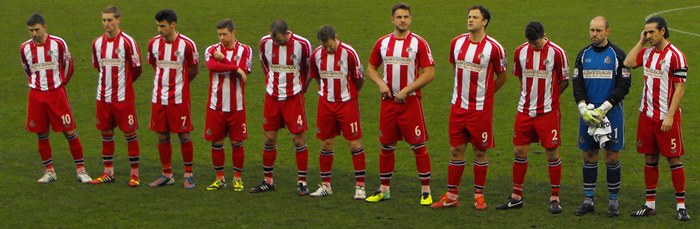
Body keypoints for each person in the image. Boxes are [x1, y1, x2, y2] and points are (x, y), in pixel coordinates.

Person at [431, 5, 507, 210]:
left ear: (485, 22)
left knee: (480, 151)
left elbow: (502, 76)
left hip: (480, 109)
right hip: (458, 106)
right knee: (456, 150)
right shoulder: (456, 43)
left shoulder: (494, 48)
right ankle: (452, 196)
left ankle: (478, 195)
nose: (470, 20)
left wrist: (486, 94)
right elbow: (455, 67)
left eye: (475, 17)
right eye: (469, 16)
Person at [364, 3, 436, 206]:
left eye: (406, 17)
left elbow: (429, 73)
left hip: (410, 102)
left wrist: (406, 90)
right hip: (388, 103)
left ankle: (425, 191)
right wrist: (380, 84)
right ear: (392, 20)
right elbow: (370, 68)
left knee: (418, 146)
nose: (402, 20)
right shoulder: (382, 43)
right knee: (386, 146)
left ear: (411, 19)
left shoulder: (419, 43)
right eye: (399, 17)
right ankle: (384, 190)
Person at [495, 21, 569, 214]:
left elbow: (564, 81)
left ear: (544, 35)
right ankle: (517, 196)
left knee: (552, 153)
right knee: (519, 152)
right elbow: (520, 77)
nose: (534, 46)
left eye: (536, 42)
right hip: (525, 111)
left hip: (548, 112)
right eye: (531, 42)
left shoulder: (557, 53)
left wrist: (550, 99)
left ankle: (555, 197)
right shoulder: (520, 51)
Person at [623, 15, 690, 221]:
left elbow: (680, 88)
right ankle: (649, 204)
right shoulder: (648, 53)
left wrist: (670, 116)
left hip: (666, 118)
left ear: (663, 31)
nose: (648, 35)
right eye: (646, 32)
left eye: (652, 32)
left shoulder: (676, 55)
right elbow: (628, 62)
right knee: (650, 158)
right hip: (647, 115)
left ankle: (681, 206)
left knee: (673, 159)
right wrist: (640, 41)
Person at [20, 13, 93, 184]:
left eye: (37, 29)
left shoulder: (58, 43)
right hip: (36, 95)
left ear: (45, 28)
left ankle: (81, 170)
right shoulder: (24, 48)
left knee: (70, 131)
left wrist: (59, 84)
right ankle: (49, 171)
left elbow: (68, 66)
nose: (34, 34)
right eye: (31, 30)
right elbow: (27, 70)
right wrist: (38, 84)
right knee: (41, 134)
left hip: (56, 94)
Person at [572, 16, 631, 217]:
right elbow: (577, 84)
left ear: (608, 32)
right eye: (591, 30)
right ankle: (588, 199)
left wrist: (605, 107)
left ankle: (613, 201)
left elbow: (624, 86)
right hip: (588, 114)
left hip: (611, 113)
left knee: (612, 156)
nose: (594, 34)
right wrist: (583, 109)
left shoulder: (618, 55)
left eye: (598, 30)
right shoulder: (582, 55)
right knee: (589, 154)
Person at [250, 20, 313, 196]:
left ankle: (302, 181)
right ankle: (268, 181)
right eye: (274, 41)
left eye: (280, 40)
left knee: (298, 139)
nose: (277, 44)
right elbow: (264, 63)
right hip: (272, 96)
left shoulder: (303, 45)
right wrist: (270, 82)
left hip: (294, 97)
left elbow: (308, 70)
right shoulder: (265, 43)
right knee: (269, 138)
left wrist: (301, 89)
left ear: (287, 34)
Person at [307, 25, 367, 199]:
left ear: (336, 37)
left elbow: (359, 79)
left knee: (354, 143)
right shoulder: (316, 54)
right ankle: (326, 185)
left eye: (330, 45)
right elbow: (316, 76)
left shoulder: (349, 53)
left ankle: (360, 186)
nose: (327, 48)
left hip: (347, 103)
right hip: (326, 104)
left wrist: (350, 95)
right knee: (326, 143)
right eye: (324, 46)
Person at [89, 6, 143, 187]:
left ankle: (134, 174)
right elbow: (98, 67)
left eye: (110, 20)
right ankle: (108, 172)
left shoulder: (128, 42)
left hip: (123, 97)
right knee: (106, 134)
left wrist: (124, 84)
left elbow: (137, 69)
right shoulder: (96, 43)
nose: (107, 24)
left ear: (118, 20)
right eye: (104, 20)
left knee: (130, 134)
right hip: (103, 97)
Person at [146, 9, 199, 189]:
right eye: (158, 26)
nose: (159, 29)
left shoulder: (187, 45)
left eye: (163, 26)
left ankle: (189, 174)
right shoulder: (153, 43)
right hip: (158, 98)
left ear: (173, 24)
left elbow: (193, 69)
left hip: (179, 98)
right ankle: (167, 174)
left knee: (184, 135)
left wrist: (181, 84)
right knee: (161, 134)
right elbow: (154, 65)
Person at [203, 19, 252, 191]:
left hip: (236, 106)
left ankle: (237, 178)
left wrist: (224, 61)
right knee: (216, 142)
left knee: (237, 142)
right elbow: (212, 66)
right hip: (216, 105)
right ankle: (220, 178)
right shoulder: (211, 49)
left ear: (233, 32)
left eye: (224, 34)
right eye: (219, 34)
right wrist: (235, 69)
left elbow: (244, 73)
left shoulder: (245, 50)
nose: (221, 38)